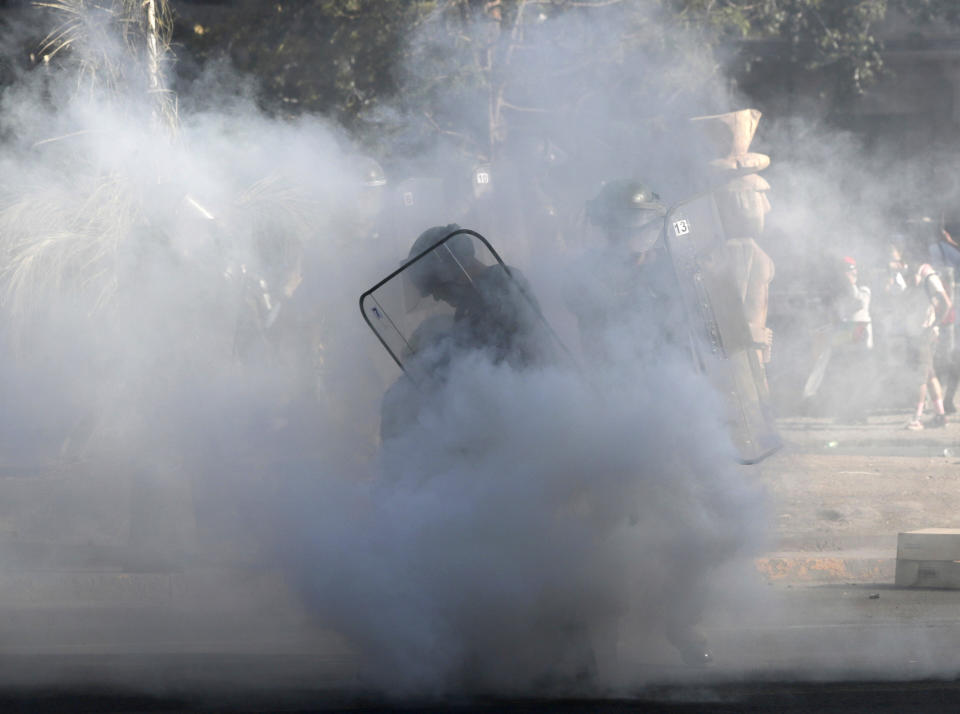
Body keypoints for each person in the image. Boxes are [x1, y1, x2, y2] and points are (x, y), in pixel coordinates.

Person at [904, 262, 952, 430]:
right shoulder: (922, 275)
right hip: (919, 333)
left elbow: (946, 302)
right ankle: (940, 416)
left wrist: (936, 325)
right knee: (930, 375)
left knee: (920, 377)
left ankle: (916, 418)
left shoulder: (929, 277)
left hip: (923, 334)